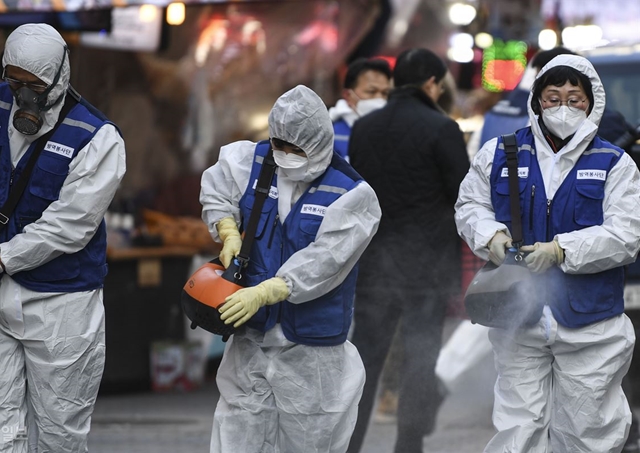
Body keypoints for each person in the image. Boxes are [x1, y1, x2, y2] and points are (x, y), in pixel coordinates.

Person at [440, 46, 640, 452]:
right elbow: (470, 205)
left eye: (574, 99)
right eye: (553, 98)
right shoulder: (500, 153)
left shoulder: (614, 163)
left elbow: (627, 233)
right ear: (536, 100)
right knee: (518, 429)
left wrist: (562, 250)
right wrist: (490, 236)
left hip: (590, 322)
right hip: (520, 316)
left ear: (592, 103)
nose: (563, 107)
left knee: (588, 432)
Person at [0, 23, 126, 452]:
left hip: (60, 305)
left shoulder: (97, 139)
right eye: (14, 82)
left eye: (36, 85)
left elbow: (70, 225)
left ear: (59, 77)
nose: (24, 96)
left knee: (59, 428)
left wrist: (0, 262)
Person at [200, 84, 381, 453]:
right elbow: (216, 190)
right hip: (251, 342)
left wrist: (269, 290)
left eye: (295, 148)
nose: (284, 155)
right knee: (237, 434)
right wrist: (227, 228)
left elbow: (328, 259)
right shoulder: (249, 162)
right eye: (278, 144)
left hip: (310, 351)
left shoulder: (352, 194)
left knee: (310, 441)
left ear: (318, 141)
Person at [346, 48, 470, 453]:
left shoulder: (365, 128)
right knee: (419, 362)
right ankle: (408, 446)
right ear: (432, 84)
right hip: (426, 271)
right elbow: (463, 197)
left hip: (374, 266)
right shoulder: (442, 128)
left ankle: (348, 444)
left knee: (363, 365)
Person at [328, 57, 391, 161]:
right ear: (348, 95)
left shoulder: (393, 131)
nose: (379, 99)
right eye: (371, 91)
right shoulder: (331, 132)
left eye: (385, 93)